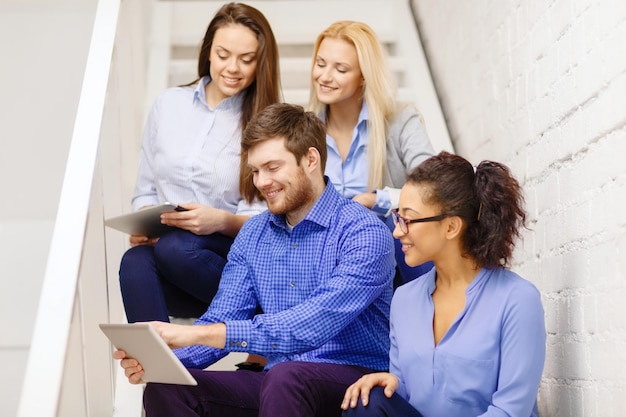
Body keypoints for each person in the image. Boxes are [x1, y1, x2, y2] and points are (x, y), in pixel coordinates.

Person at [114, 103, 396, 417]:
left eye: (272, 167)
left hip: (353, 379)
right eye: (256, 170)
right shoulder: (254, 235)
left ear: (311, 160)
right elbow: (223, 314)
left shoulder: (364, 232)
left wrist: (191, 333)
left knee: (285, 376)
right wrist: (160, 363)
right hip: (279, 382)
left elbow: (309, 326)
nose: (261, 182)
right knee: (167, 387)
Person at [340, 151, 546, 417]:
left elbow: (510, 411)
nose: (397, 231)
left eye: (408, 219)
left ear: (451, 227)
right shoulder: (404, 300)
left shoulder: (517, 300)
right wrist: (391, 387)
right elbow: (412, 396)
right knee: (366, 402)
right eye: (396, 216)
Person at [118, 2, 282, 323]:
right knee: (135, 261)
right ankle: (160, 370)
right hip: (181, 266)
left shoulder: (269, 122)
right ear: (208, 52)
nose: (232, 68)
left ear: (261, 63)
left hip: (229, 257)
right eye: (223, 55)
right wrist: (143, 223)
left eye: (246, 59)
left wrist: (221, 221)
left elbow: (275, 218)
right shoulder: (168, 105)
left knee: (177, 248)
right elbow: (146, 188)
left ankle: (259, 308)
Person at [308, 20, 435, 286]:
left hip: (386, 249)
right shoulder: (301, 130)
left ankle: (433, 318)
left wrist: (373, 200)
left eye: (340, 69)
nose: (325, 76)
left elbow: (435, 188)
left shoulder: (401, 121)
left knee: (399, 225)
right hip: (321, 251)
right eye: (320, 64)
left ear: (364, 75)